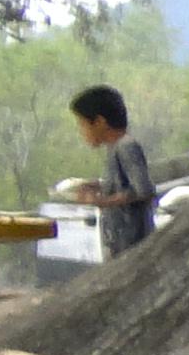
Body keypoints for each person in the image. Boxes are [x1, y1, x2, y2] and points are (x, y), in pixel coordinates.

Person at [65, 86, 157, 258]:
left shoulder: (126, 146)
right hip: (118, 243)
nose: (82, 131)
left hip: (132, 244)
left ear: (99, 122)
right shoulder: (114, 148)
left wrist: (102, 201)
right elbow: (122, 183)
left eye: (82, 124)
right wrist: (96, 185)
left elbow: (143, 190)